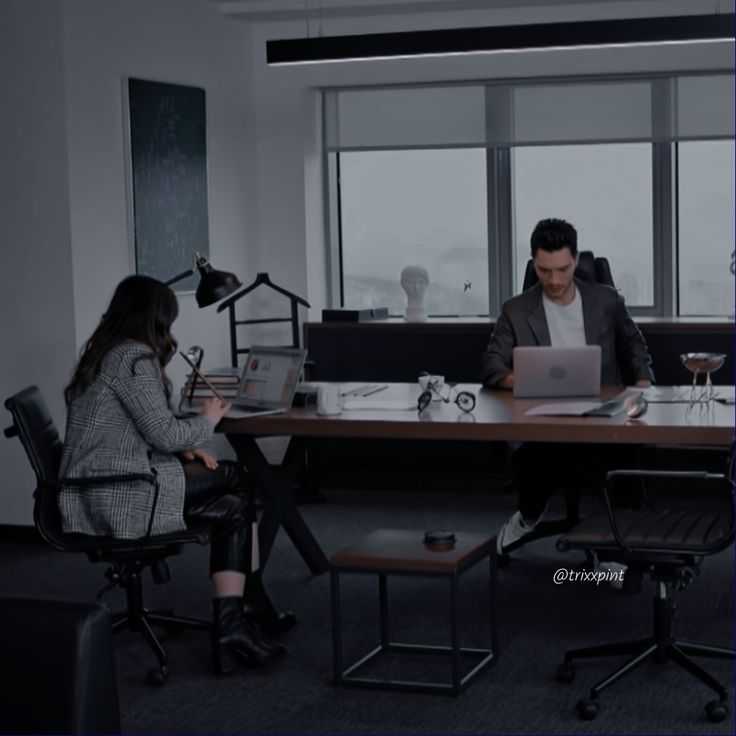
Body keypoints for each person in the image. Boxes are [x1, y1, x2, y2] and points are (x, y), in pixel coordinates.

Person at [59, 275, 289, 675]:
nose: (171, 331)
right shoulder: (133, 358)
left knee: (235, 507)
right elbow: (162, 431)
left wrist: (183, 445)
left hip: (103, 484)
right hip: (121, 492)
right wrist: (207, 420)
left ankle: (233, 623)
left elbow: (135, 429)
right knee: (238, 478)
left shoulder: (106, 352)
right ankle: (248, 601)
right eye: (169, 321)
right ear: (154, 319)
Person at [480, 218, 654, 555]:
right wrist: (526, 379)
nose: (555, 280)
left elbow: (636, 349)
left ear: (576, 260)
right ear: (534, 264)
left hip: (604, 420)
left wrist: (642, 387)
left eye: (562, 269)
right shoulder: (515, 310)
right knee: (534, 461)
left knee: (623, 465)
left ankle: (617, 544)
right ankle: (528, 518)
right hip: (542, 424)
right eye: (544, 271)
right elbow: (490, 364)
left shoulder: (606, 300)